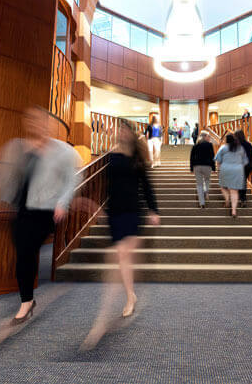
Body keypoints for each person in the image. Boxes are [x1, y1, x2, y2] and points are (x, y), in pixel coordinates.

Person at [0, 106, 80, 324]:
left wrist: (63, 202)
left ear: (48, 124)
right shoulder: (18, 147)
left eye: (40, 121)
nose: (36, 124)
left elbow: (72, 179)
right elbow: (8, 176)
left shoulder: (63, 151)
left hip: (45, 210)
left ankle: (25, 303)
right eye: (31, 120)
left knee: (27, 250)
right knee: (23, 254)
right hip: (20, 208)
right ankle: (27, 300)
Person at [83, 119, 160, 349]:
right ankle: (130, 295)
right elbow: (107, 187)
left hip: (133, 212)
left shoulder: (137, 158)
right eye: (119, 130)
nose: (121, 133)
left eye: (125, 129)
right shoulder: (111, 156)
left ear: (131, 133)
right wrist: (101, 209)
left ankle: (105, 316)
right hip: (115, 213)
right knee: (122, 258)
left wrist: (153, 209)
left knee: (121, 257)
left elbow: (146, 186)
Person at [214, 133, 248, 218]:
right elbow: (245, 161)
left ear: (226, 140)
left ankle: (227, 199)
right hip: (237, 170)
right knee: (234, 191)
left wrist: (218, 169)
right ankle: (233, 210)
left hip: (226, 169)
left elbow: (218, 160)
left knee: (223, 186)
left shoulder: (223, 148)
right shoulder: (240, 148)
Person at [190, 131, 216, 208]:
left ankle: (202, 203)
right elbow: (212, 156)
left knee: (199, 185)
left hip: (197, 166)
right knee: (207, 180)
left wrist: (191, 168)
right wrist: (213, 167)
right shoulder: (209, 145)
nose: (209, 137)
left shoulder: (195, 145)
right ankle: (206, 191)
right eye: (208, 136)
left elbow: (192, 158)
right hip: (207, 166)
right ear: (205, 137)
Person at [234, 130, 252, 207]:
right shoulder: (248, 144)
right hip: (247, 166)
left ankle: (241, 198)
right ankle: (242, 198)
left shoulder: (236, 145)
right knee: (243, 181)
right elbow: (251, 156)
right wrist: (251, 166)